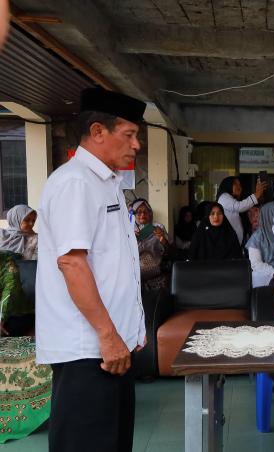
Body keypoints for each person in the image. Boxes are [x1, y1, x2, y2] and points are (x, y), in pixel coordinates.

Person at [35, 88, 146, 452]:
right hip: (88, 351)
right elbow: (72, 262)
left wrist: (131, 329)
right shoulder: (75, 182)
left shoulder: (106, 184)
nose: (136, 145)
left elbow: (115, 264)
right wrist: (109, 335)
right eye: (129, 135)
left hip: (110, 348)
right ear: (98, 131)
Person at [131, 198, 172, 291]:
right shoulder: (128, 231)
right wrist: (130, 240)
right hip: (134, 282)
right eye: (139, 212)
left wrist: (162, 239)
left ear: (150, 213)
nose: (142, 215)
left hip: (156, 281)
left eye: (146, 211)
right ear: (133, 215)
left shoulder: (158, 228)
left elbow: (171, 253)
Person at [216, 175, 266, 245]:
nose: (238, 186)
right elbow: (239, 206)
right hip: (228, 243)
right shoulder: (224, 196)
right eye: (235, 184)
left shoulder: (234, 200)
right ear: (227, 185)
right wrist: (256, 194)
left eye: (240, 184)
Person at [246, 202, 274, 288]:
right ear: (267, 216)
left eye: (256, 211)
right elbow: (255, 263)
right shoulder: (256, 237)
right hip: (267, 276)